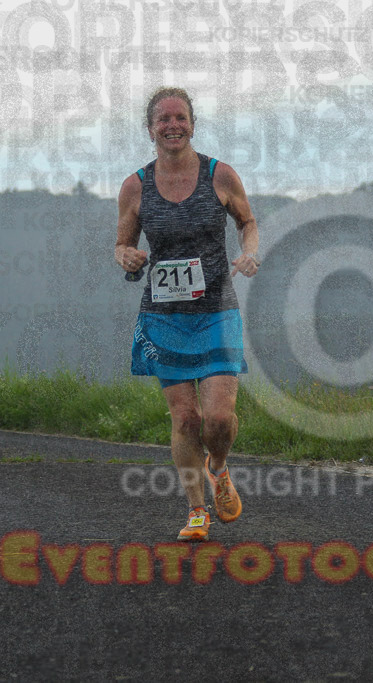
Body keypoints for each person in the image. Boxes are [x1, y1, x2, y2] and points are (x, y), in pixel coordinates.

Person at [115, 87, 260, 542]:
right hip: (164, 316)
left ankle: (218, 467)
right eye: (163, 120)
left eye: (180, 118)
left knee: (218, 418)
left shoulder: (219, 175)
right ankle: (197, 512)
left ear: (192, 125)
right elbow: (122, 241)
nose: (172, 126)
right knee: (185, 419)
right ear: (151, 129)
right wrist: (126, 256)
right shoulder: (135, 185)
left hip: (217, 310)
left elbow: (247, 222)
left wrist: (249, 253)